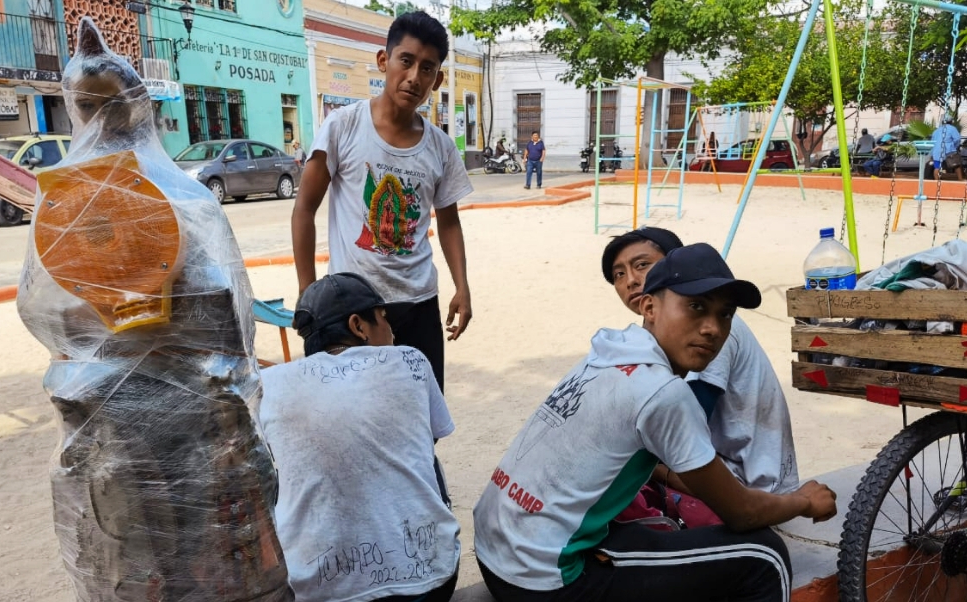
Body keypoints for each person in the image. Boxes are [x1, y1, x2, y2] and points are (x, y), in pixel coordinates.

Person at [473, 243, 837, 602]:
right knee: (764, 555)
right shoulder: (662, 392)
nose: (712, 328)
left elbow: (681, 472)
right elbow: (742, 514)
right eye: (695, 307)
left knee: (657, 530)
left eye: (725, 314)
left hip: (497, 548)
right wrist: (803, 502)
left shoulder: (609, 352)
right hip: (542, 577)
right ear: (649, 307)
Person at [291, 10, 474, 393]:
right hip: (353, 308)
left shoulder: (440, 147)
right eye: (405, 61)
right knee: (355, 415)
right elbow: (305, 209)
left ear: (437, 79)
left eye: (427, 68)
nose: (414, 77)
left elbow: (450, 222)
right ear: (383, 61)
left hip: (419, 301)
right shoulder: (343, 126)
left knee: (422, 413)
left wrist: (462, 285)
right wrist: (309, 295)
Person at [257, 272, 461, 602]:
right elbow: (432, 439)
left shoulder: (271, 384)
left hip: (319, 593)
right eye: (384, 320)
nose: (393, 333)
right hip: (429, 583)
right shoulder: (410, 361)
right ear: (358, 326)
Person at [602, 227, 799, 494]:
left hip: (747, 481)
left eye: (642, 265)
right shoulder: (658, 331)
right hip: (707, 464)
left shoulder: (707, 330)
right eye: (619, 274)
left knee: (617, 466)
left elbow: (681, 429)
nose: (631, 281)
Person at [931, 115, 963, 181]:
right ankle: (960, 179)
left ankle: (936, 181)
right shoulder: (952, 128)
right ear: (951, 121)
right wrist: (954, 146)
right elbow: (957, 139)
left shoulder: (936, 131)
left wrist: (932, 153)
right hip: (949, 150)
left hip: (936, 151)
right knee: (956, 165)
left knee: (937, 167)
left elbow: (932, 142)